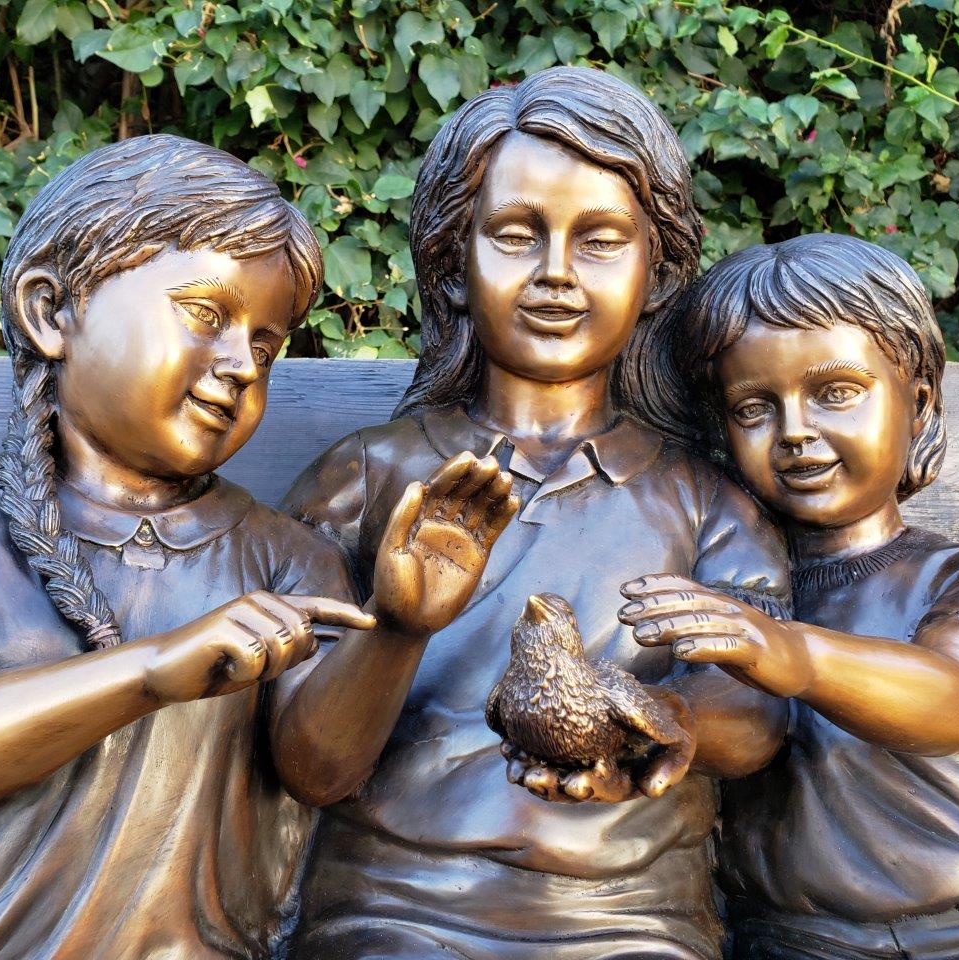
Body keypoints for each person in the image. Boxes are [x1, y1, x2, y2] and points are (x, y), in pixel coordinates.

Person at [0, 134, 514, 960]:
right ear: (52, 311)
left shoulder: (286, 559)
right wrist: (155, 671)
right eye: (206, 315)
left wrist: (400, 628)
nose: (239, 366)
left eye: (265, 343)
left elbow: (319, 774)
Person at [275, 67, 791, 960]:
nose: (555, 273)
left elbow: (760, 713)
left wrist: (666, 717)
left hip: (632, 924)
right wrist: (398, 628)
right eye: (515, 234)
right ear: (452, 260)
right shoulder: (366, 477)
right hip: (396, 915)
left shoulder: (705, 503)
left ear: (657, 269)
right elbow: (314, 765)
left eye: (600, 240)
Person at [622, 233, 959, 959]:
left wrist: (787, 654)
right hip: (795, 942)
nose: (796, 433)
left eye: (835, 392)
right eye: (754, 409)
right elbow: (700, 720)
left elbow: (958, 697)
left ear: (918, 400)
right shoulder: (732, 592)